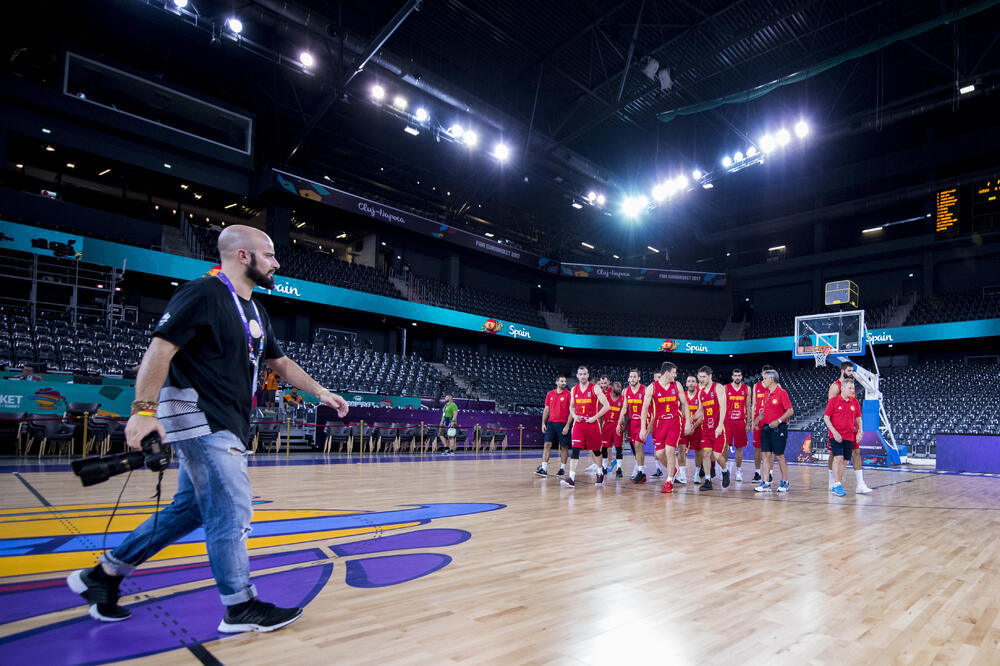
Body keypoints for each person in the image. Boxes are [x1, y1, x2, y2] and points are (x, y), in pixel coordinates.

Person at [66, 225, 349, 633]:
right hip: (199, 419)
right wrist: (143, 410)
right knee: (232, 508)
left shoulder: (255, 309)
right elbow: (159, 349)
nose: (277, 262)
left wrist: (321, 391)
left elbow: (280, 363)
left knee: (193, 509)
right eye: (269, 255)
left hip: (229, 421)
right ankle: (240, 606)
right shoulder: (202, 293)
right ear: (243, 257)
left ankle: (102, 576)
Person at [639, 362, 690, 494]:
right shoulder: (652, 388)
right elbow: (644, 409)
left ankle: (669, 481)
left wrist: (688, 421)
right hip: (660, 423)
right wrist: (643, 428)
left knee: (669, 450)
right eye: (674, 372)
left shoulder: (676, 385)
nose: (676, 375)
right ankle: (673, 470)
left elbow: (685, 404)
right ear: (667, 373)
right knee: (659, 453)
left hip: (674, 421)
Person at [560, 366, 611, 488]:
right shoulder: (574, 389)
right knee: (575, 449)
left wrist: (595, 417)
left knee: (596, 450)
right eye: (580, 374)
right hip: (579, 423)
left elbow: (607, 406)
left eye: (584, 374)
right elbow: (571, 406)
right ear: (577, 376)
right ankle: (571, 478)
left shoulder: (595, 388)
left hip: (592, 423)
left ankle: (600, 473)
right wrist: (574, 415)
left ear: (588, 375)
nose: (582, 376)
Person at [827, 362, 873, 493]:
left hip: (850, 426)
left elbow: (854, 410)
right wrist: (834, 430)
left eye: (853, 371)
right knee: (835, 454)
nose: (852, 373)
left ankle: (860, 483)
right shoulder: (835, 386)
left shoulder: (851, 386)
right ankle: (833, 481)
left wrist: (858, 428)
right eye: (849, 370)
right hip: (837, 427)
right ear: (842, 371)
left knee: (856, 452)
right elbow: (831, 408)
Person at [753, 369, 794, 493]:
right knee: (765, 455)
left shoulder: (782, 393)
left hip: (779, 428)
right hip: (766, 428)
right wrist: (758, 418)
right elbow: (767, 411)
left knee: (779, 455)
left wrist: (779, 421)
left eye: (764, 378)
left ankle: (785, 482)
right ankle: (766, 482)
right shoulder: (767, 394)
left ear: (771, 379)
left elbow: (790, 411)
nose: (762, 381)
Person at [824, 378, 864, 497]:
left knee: (845, 461)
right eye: (850, 388)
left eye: (853, 388)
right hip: (836, 436)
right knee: (838, 458)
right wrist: (834, 432)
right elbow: (826, 418)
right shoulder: (833, 401)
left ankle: (838, 484)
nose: (852, 390)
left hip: (849, 436)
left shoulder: (855, 402)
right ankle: (836, 484)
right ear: (842, 388)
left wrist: (860, 431)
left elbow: (858, 418)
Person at [697, 366, 729, 491]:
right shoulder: (701, 392)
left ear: (710, 376)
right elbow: (701, 411)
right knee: (705, 454)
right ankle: (708, 481)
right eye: (700, 377)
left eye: (704, 376)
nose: (702, 379)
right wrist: (689, 419)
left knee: (716, 455)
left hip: (717, 427)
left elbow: (724, 407)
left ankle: (725, 471)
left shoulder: (718, 388)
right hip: (706, 428)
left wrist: (720, 425)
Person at [536, 375, 571, 477]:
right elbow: (546, 410)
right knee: (547, 445)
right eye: (562, 381)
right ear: (557, 382)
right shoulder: (550, 394)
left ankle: (562, 469)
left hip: (563, 424)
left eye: (565, 381)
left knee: (564, 447)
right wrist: (543, 423)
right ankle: (544, 468)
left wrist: (567, 425)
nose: (564, 383)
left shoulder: (568, 395)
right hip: (551, 423)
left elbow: (571, 412)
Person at [617, 368, 648, 483]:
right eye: (631, 376)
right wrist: (619, 422)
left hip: (642, 422)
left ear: (639, 378)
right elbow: (624, 408)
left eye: (635, 376)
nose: (632, 379)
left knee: (638, 446)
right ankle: (641, 471)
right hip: (632, 423)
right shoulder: (626, 391)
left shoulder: (645, 390)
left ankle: (641, 472)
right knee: (635, 447)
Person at [675, 374, 703, 485]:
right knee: (681, 450)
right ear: (686, 384)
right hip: (683, 428)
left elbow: (702, 414)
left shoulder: (700, 395)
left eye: (693, 381)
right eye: (689, 381)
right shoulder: (683, 395)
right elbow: (680, 411)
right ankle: (682, 475)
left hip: (697, 428)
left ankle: (697, 474)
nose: (691, 383)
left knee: (698, 452)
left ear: (696, 383)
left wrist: (693, 426)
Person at [724, 368, 751, 482]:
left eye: (739, 375)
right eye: (735, 375)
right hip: (728, 421)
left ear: (742, 377)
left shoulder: (747, 389)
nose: (737, 377)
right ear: (732, 377)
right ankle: (724, 471)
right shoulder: (726, 388)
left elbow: (748, 406)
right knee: (724, 447)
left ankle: (738, 471)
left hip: (740, 421)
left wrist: (748, 422)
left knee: (739, 447)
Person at [750, 365, 774, 482]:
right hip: (758, 419)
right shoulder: (756, 386)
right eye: (764, 373)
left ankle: (770, 473)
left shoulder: (775, 386)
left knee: (770, 449)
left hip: (769, 419)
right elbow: (753, 404)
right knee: (757, 448)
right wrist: (752, 420)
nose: (765, 375)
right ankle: (757, 472)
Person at [602, 380, 625, 478]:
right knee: (604, 446)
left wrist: (623, 425)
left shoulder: (623, 399)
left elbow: (625, 413)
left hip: (617, 425)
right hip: (606, 424)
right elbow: (600, 411)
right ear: (612, 387)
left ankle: (619, 468)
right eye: (617, 387)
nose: (619, 389)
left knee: (618, 447)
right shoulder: (606, 397)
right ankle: (603, 466)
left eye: (620, 387)